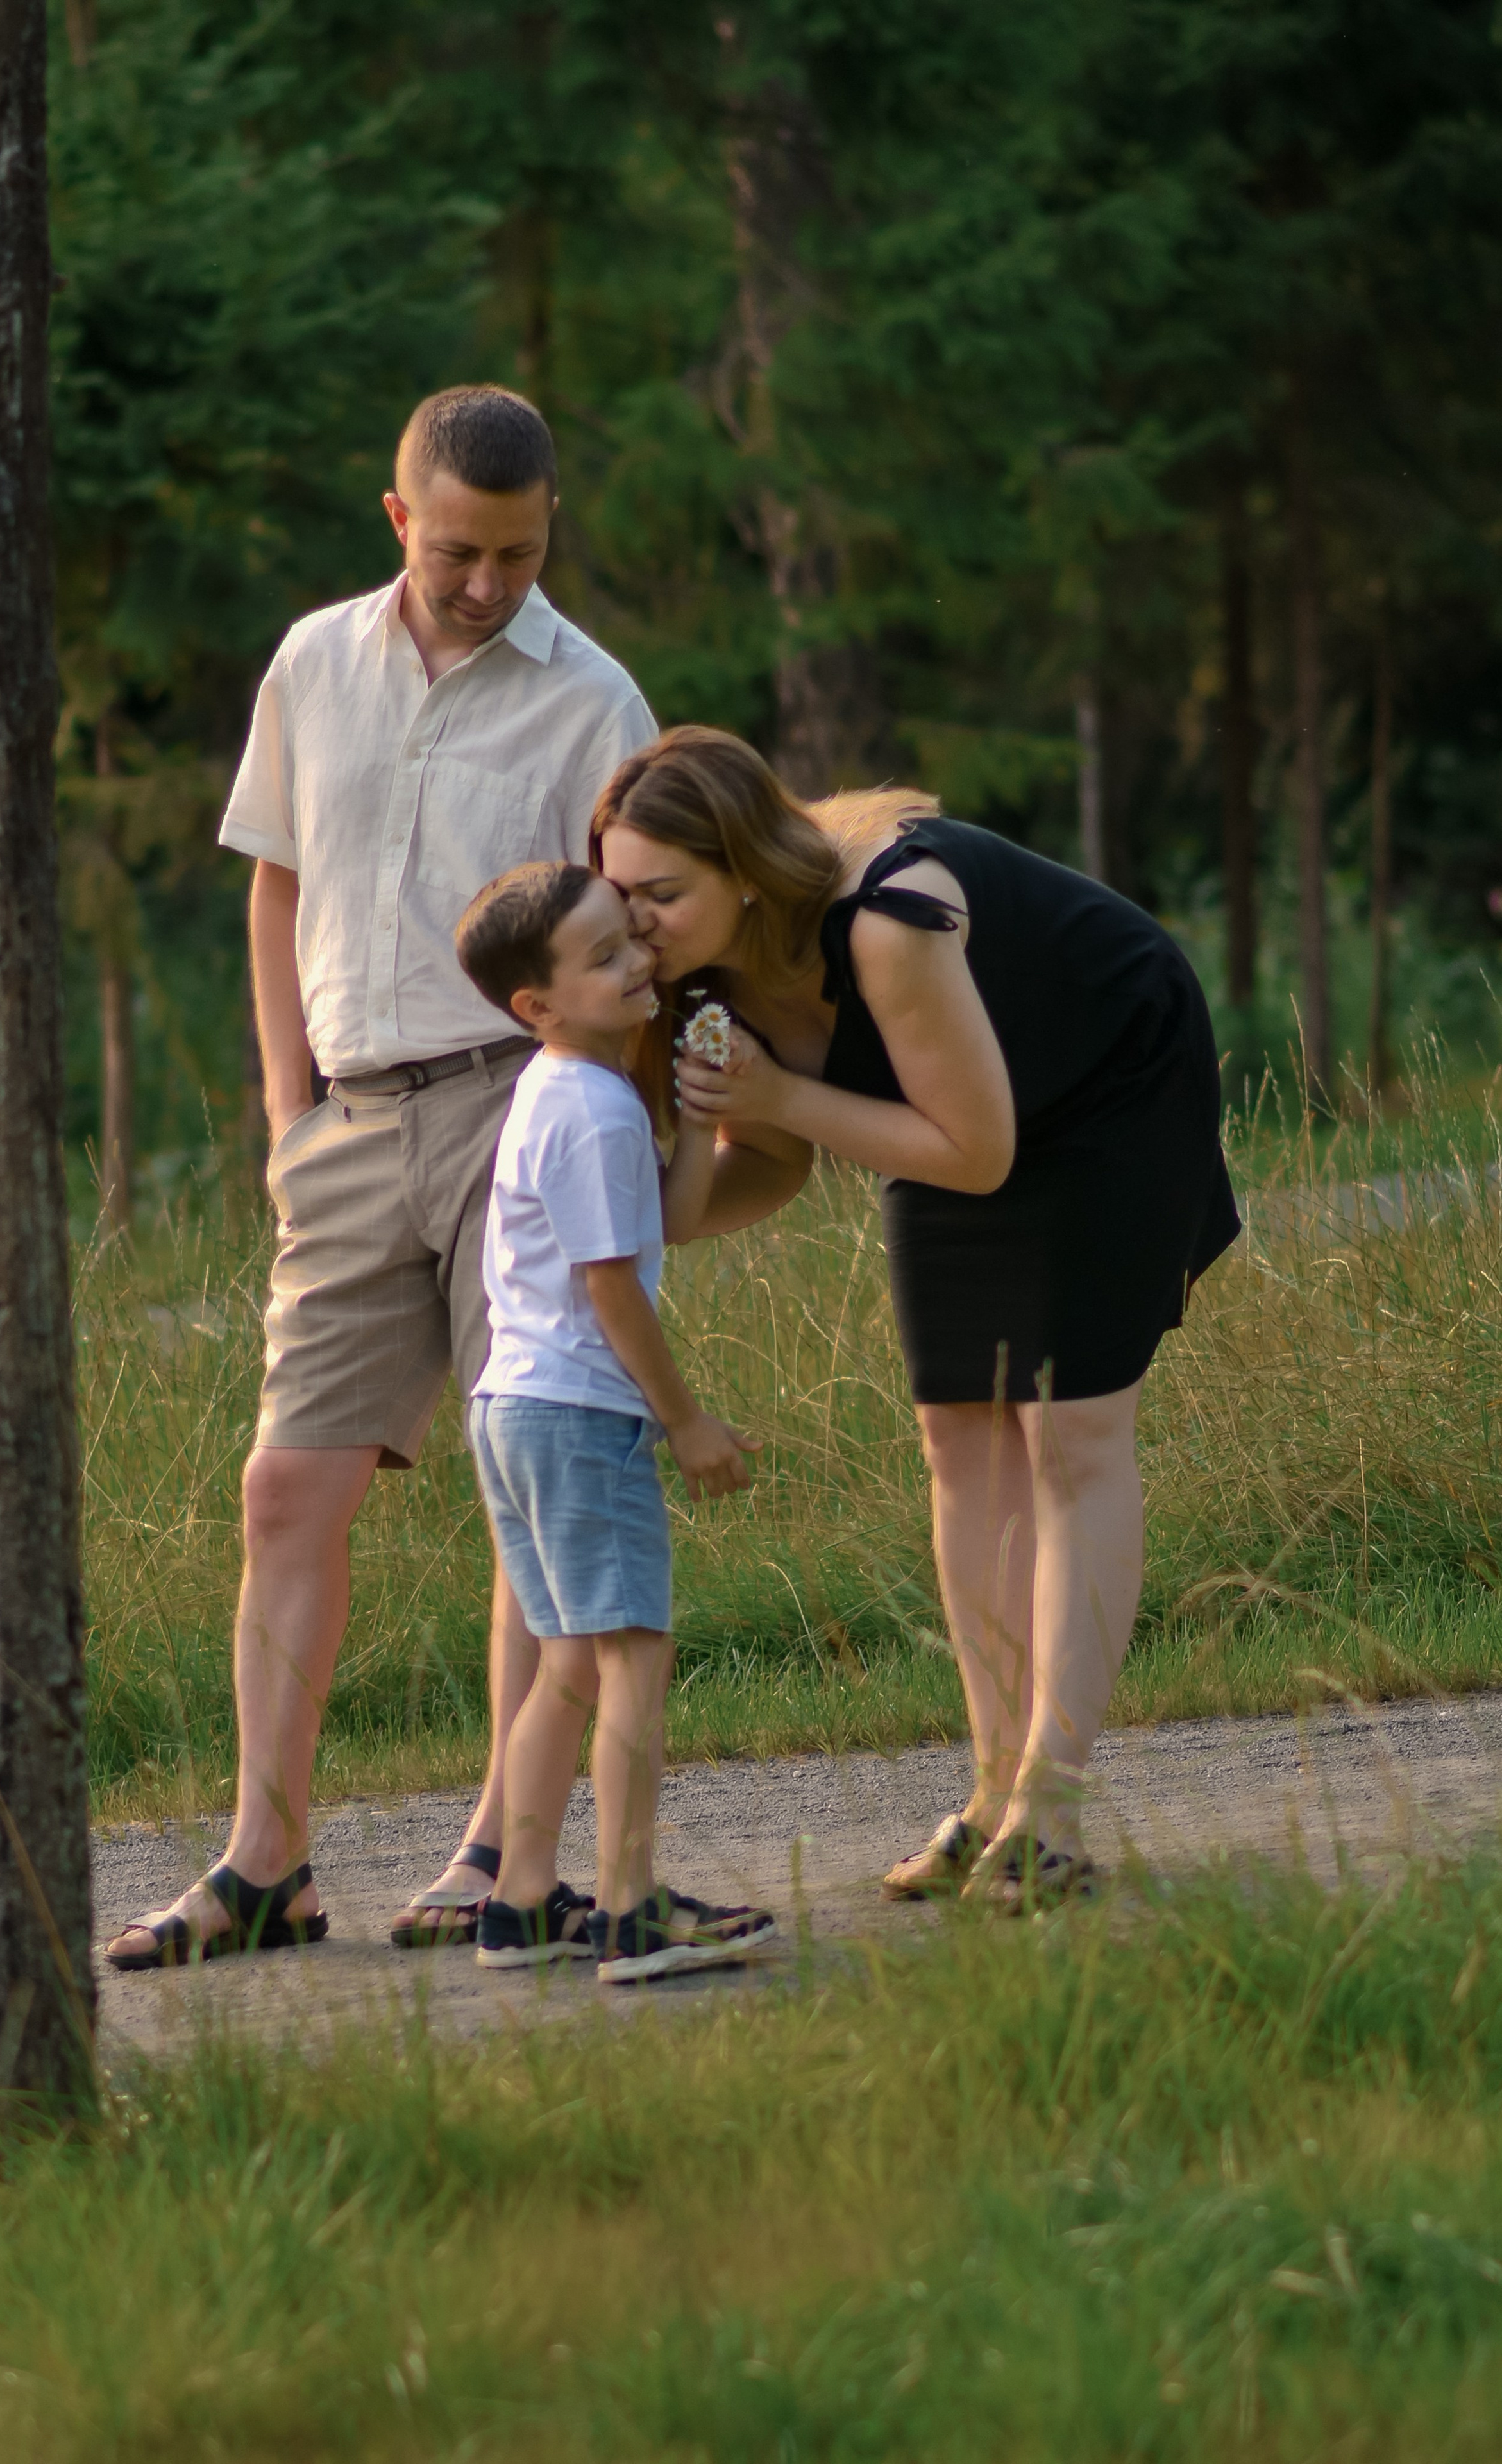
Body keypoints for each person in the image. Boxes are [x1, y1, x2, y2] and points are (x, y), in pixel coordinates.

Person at [105, 387, 657, 1971]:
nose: (487, 584)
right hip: (345, 1125)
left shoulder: (593, 698)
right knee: (285, 1487)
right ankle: (264, 1862)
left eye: (520, 554)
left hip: (520, 1112)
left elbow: (634, 939)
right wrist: (288, 1111)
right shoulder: (310, 661)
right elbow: (276, 887)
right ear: (398, 518)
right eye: (458, 551)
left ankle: (497, 1846)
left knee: (524, 1476)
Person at [595, 727, 1241, 1911]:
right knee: (958, 1433)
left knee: (1071, 1434)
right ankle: (993, 1792)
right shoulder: (701, 976)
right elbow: (773, 1161)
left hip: (1108, 1076)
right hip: (952, 1110)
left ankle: (1051, 1808)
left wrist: (782, 1092)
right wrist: (643, 1208)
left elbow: (975, 1153)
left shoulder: (889, 919)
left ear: (747, 873)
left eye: (662, 894)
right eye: (619, 892)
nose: (634, 923)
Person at [453, 859, 777, 1980]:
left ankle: (521, 1899)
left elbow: (659, 1229)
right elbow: (611, 1287)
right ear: (536, 1004)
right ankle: (633, 1907)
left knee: (568, 1661)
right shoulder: (591, 1109)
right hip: (580, 1412)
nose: (640, 960)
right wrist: (685, 1420)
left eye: (631, 938)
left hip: (513, 1406)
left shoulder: (569, 1087)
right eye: (603, 957)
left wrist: (700, 1124)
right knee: (636, 1649)